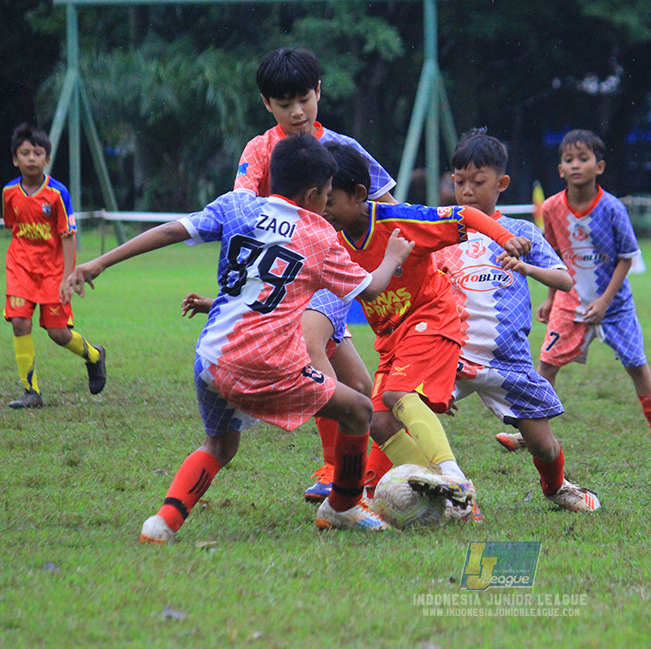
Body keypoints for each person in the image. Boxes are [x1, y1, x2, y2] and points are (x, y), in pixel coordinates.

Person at [61, 134, 414, 542]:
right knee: (357, 409)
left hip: (211, 358)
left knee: (220, 446)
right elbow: (371, 289)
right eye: (327, 194)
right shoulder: (319, 236)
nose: (327, 203)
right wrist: (392, 257)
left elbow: (171, 231)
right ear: (313, 194)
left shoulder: (238, 205)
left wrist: (100, 263)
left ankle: (162, 524)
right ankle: (343, 506)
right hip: (267, 364)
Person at [319, 141, 533, 520]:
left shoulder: (401, 221)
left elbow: (466, 215)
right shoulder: (329, 238)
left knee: (398, 394)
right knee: (377, 420)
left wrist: (504, 238)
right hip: (392, 338)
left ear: (359, 193)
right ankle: (454, 500)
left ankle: (454, 478)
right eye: (318, 199)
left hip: (432, 317)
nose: (322, 209)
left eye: (330, 201)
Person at [234, 46, 398, 503]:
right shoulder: (260, 151)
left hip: (331, 273)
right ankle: (371, 466)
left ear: (319, 92)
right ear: (267, 103)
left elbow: (387, 205)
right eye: (284, 103)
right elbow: (243, 206)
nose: (297, 112)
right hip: (284, 280)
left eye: (304, 99)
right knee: (357, 385)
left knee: (317, 351)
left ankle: (338, 473)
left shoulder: (343, 149)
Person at [435, 129, 600, 512]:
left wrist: (526, 267)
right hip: (452, 358)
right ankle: (389, 487)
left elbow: (564, 279)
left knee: (543, 446)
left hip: (508, 361)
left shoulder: (521, 232)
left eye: (478, 182)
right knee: (405, 412)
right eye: (459, 182)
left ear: (502, 183)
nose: (467, 191)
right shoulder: (441, 234)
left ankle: (556, 488)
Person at [522, 129, 651, 451]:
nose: (575, 165)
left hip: (615, 305)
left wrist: (605, 302)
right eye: (569, 160)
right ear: (560, 169)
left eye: (583, 158)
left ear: (600, 166)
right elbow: (554, 256)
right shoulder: (551, 208)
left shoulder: (612, 208)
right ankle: (530, 434)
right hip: (570, 302)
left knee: (636, 364)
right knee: (547, 364)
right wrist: (551, 298)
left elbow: (626, 258)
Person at [3, 123, 106, 409]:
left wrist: (67, 277)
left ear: (46, 159)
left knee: (58, 333)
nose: (31, 158)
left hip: (53, 272)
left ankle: (94, 356)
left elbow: (68, 236)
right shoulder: (9, 193)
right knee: (20, 321)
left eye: (38, 153)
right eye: (25, 153)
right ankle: (31, 391)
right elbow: (13, 227)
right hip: (20, 268)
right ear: (15, 159)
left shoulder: (57, 193)